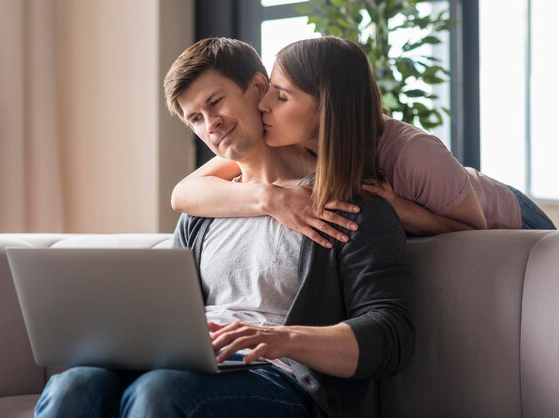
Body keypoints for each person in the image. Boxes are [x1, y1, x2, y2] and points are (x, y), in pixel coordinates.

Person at [34, 37, 414, 418]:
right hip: (191, 367)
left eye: (215, 103)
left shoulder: (350, 205)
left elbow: (390, 335)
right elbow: (169, 311)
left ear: (259, 89)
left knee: (161, 392)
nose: (210, 124)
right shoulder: (201, 214)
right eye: (195, 118)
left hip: (285, 380)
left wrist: (282, 339)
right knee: (75, 384)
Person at [171, 37, 556, 239]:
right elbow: (184, 193)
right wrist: (270, 198)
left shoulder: (410, 153)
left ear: (325, 109)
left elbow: (474, 230)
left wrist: (397, 207)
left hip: (506, 217)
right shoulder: (282, 137)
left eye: (280, 95)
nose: (265, 105)